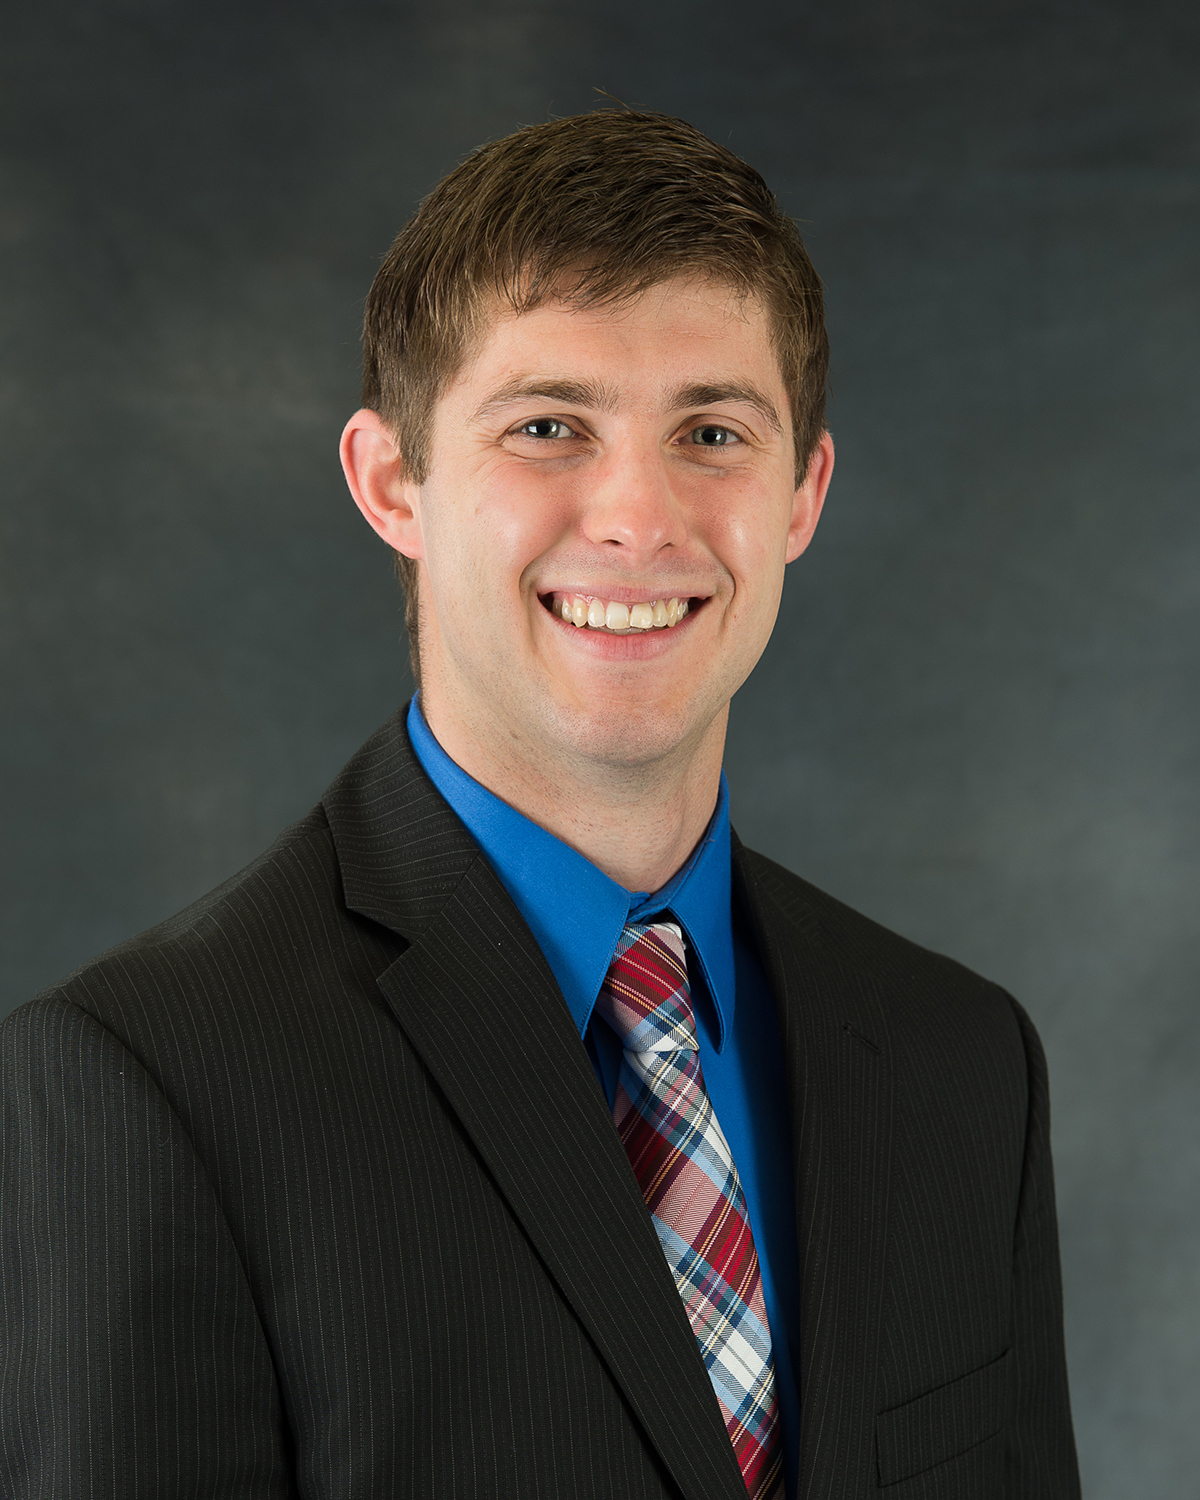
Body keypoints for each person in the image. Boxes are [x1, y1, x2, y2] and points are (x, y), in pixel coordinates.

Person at [0, 110, 1079, 1499]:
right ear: (392, 482)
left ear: (802, 495)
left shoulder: (962, 1067)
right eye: (550, 426)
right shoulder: (146, 1088)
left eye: (711, 431)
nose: (639, 517)